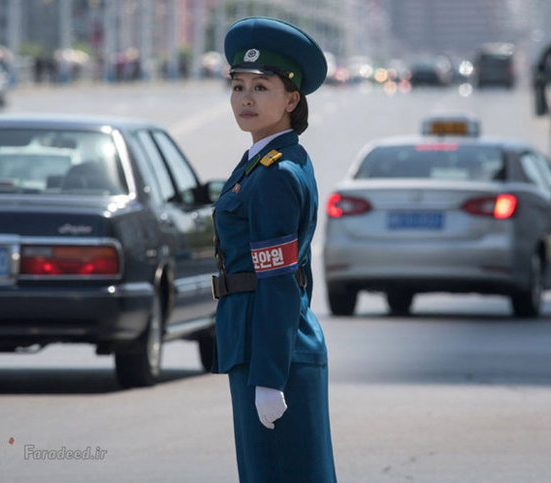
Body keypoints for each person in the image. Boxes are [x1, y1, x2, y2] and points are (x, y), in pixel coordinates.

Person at [210, 17, 337, 483]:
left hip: (272, 355)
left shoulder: (277, 173)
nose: (245, 98)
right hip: (261, 346)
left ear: (291, 99)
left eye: (261, 87)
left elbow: (280, 280)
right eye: (238, 85)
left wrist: (269, 376)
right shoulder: (263, 163)